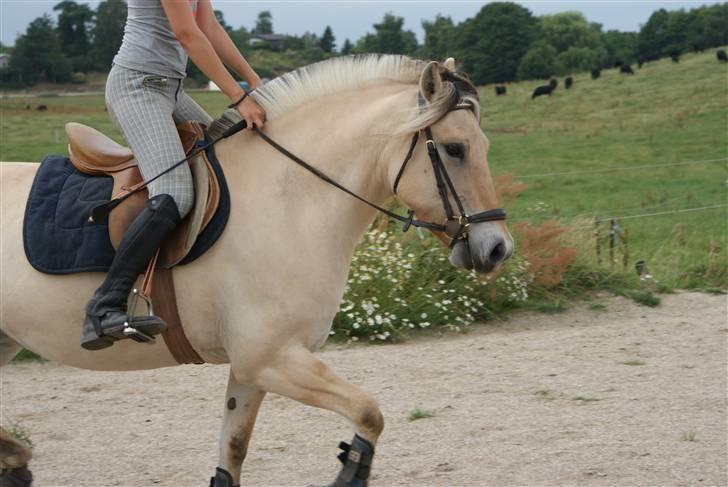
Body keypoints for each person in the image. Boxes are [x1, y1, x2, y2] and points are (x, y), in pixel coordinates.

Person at [81, 0, 266, 350]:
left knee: (226, 167)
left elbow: (209, 27)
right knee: (175, 193)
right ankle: (104, 306)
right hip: (138, 86)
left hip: (172, 88)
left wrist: (254, 80)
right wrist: (239, 98)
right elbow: (186, 33)